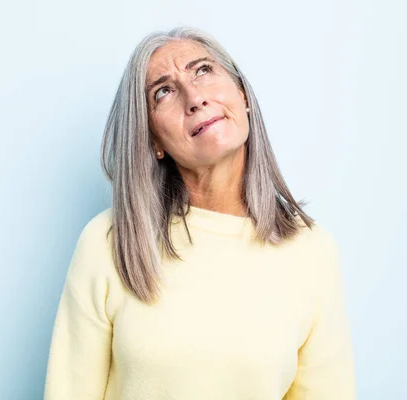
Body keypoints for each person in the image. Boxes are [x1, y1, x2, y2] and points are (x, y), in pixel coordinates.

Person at [43, 26, 356, 400]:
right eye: (164, 91)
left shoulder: (312, 250)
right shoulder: (110, 240)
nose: (194, 98)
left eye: (203, 70)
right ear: (153, 140)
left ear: (242, 96)